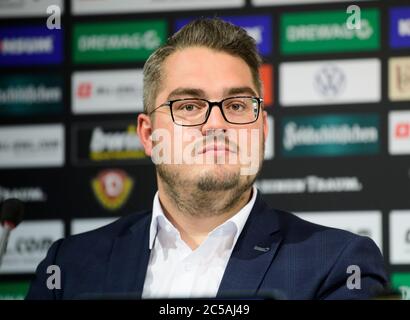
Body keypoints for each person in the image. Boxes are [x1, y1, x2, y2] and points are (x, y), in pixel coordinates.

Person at [26, 18, 388, 300]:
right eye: (188, 106)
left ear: (261, 129)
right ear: (148, 135)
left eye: (236, 105)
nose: (216, 123)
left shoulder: (339, 264)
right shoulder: (68, 266)